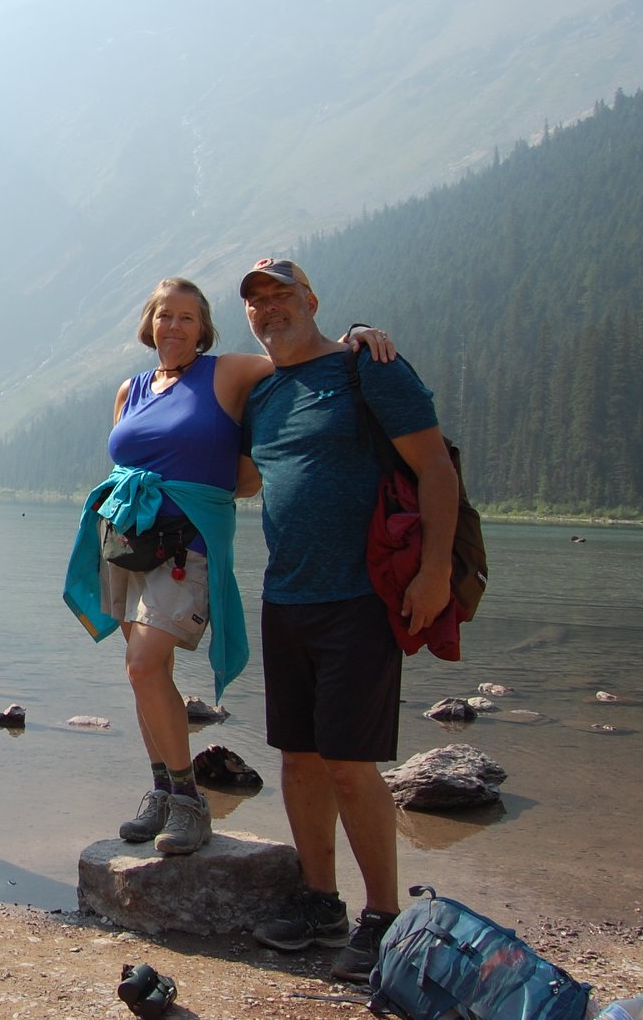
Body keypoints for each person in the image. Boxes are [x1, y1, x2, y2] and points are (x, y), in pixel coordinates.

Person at [62, 279, 394, 856]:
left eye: (188, 318)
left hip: (187, 542)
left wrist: (353, 337)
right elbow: (126, 453)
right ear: (150, 323)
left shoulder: (229, 372)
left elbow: (294, 356)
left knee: (145, 664)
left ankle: (191, 801)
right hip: (128, 537)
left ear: (204, 328)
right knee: (144, 672)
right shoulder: (131, 388)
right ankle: (162, 791)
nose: (175, 326)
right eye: (165, 316)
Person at [238, 257, 456, 983]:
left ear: (312, 300)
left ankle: (385, 918)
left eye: (283, 295)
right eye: (258, 302)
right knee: (298, 758)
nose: (271, 309)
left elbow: (435, 469)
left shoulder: (370, 367)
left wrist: (434, 572)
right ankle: (320, 902)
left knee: (350, 762)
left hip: (361, 598)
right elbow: (236, 479)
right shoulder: (263, 394)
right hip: (286, 597)